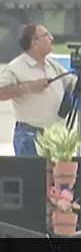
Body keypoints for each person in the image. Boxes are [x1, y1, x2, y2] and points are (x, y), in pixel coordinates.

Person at [0, 24, 76, 156]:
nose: (51, 38)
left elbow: (74, 85)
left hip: (53, 135)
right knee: (31, 169)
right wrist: (28, 88)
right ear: (34, 42)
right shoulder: (16, 67)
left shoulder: (53, 65)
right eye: (46, 35)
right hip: (29, 135)